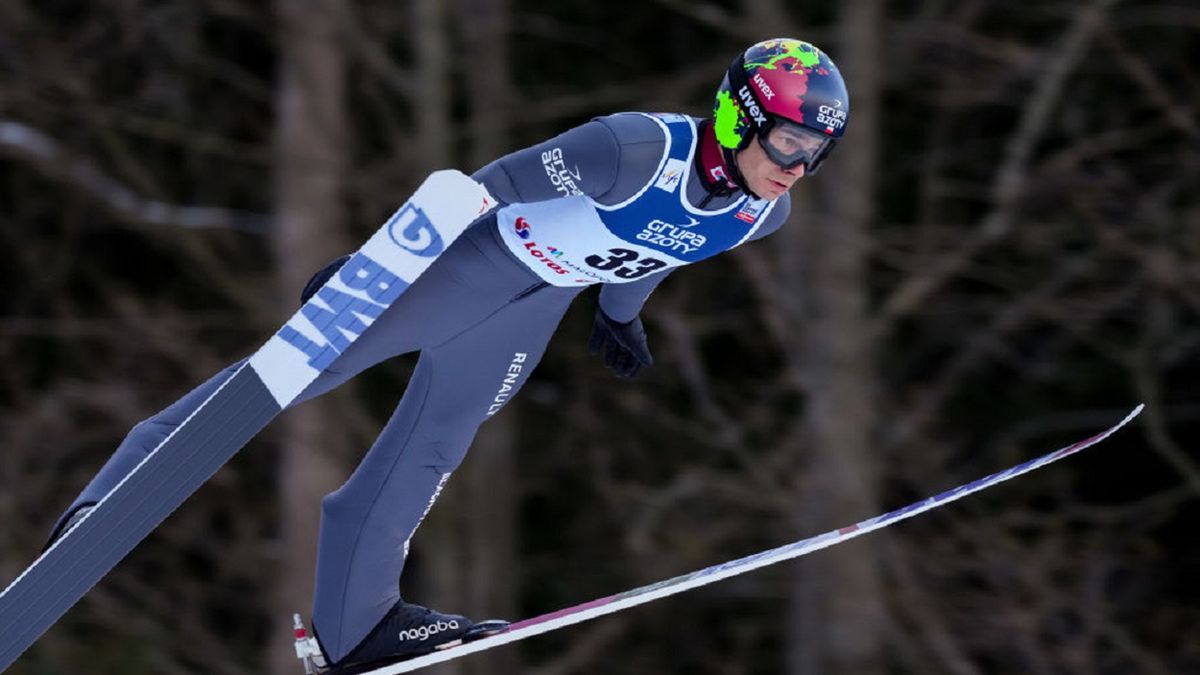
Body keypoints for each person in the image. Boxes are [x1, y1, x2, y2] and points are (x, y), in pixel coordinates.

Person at [46, 38, 849, 672]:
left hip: (531, 311)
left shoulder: (759, 217)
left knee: (432, 448)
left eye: (815, 154)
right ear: (740, 116)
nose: (796, 169)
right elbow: (490, 182)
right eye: (788, 143)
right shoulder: (634, 149)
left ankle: (353, 626)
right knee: (296, 373)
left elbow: (661, 252)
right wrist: (381, 264)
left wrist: (619, 315)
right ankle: (116, 492)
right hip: (467, 268)